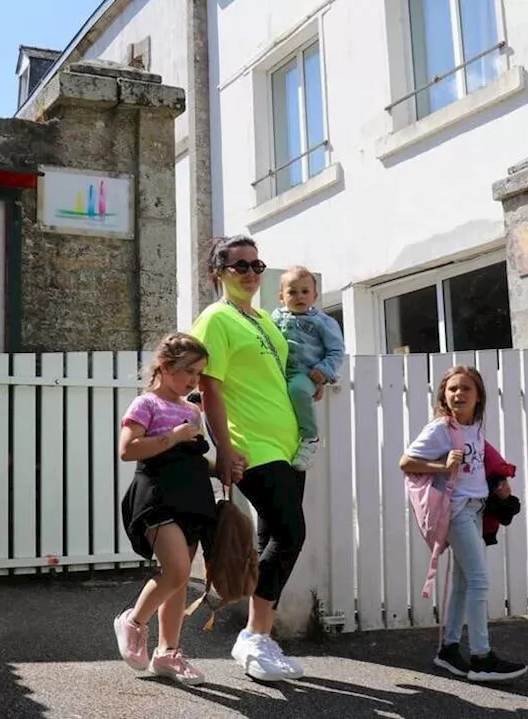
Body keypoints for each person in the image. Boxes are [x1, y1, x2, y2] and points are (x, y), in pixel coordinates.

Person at [190, 235, 307, 682]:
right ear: (218, 272)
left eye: (257, 265)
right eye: (240, 266)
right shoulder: (215, 320)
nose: (252, 274)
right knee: (291, 533)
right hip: (252, 445)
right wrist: (223, 447)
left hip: (287, 444)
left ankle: (261, 639)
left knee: (270, 539)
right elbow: (210, 388)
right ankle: (254, 636)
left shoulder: (261, 319)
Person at [400, 366, 528, 683]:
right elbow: (406, 462)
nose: (458, 394)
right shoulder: (441, 428)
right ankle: (482, 657)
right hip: (455, 510)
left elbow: (478, 464)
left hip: (475, 509)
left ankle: (449, 649)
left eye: (466, 389)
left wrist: (498, 484)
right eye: (452, 389)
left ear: (478, 396)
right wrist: (442, 467)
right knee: (479, 580)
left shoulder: (475, 428)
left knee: (462, 583)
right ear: (444, 395)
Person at [113, 333, 217, 686]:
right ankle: (133, 621)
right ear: (165, 366)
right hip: (157, 496)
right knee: (175, 570)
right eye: (188, 371)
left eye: (199, 373)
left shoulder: (192, 410)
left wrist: (223, 467)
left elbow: (194, 458)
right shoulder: (146, 404)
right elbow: (128, 450)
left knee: (182, 578)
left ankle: (167, 653)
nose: (193, 380)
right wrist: (173, 436)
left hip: (192, 497)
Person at [271, 266, 345, 471]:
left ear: (315, 295)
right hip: (277, 372)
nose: (299, 296)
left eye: (305, 292)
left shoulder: (324, 322)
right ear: (281, 296)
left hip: (306, 374)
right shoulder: (274, 318)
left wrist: (323, 371)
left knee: (297, 390)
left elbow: (337, 351)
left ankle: (310, 437)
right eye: (292, 292)